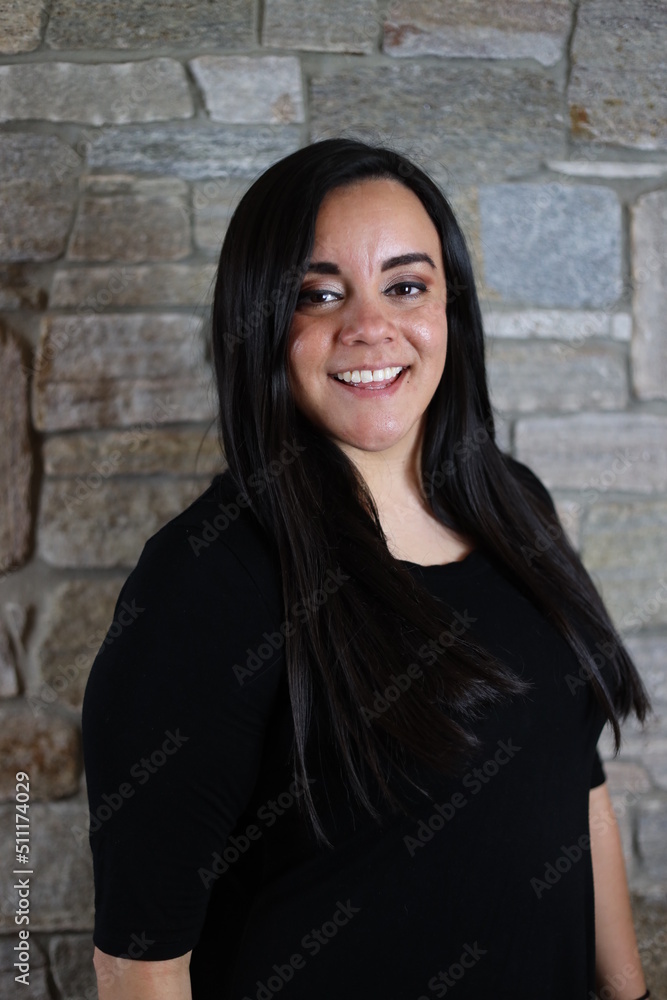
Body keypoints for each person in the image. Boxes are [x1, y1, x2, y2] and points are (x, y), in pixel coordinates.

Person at [83, 138, 652, 1000]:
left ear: (448, 308)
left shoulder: (514, 505)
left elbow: (578, 787)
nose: (369, 327)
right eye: (318, 294)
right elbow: (140, 959)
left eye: (406, 285)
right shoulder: (206, 580)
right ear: (259, 321)